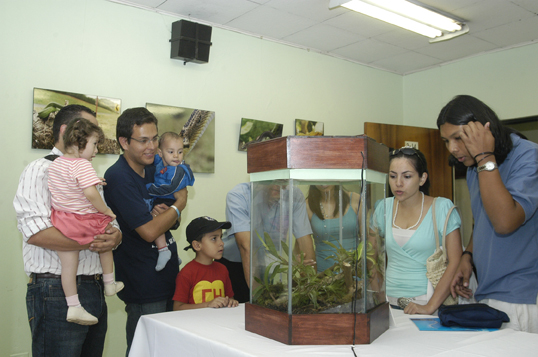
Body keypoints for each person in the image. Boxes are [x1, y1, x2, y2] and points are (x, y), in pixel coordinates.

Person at [14, 104, 122, 356]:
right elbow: (37, 233)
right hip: (54, 292)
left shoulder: (87, 171)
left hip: (94, 286)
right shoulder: (40, 169)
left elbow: (104, 219)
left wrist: (115, 236)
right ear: (66, 131)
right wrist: (94, 240)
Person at [438, 94, 538, 333]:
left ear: (483, 130)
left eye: (459, 138)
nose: (452, 149)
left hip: (519, 299)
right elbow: (484, 220)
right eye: (446, 140)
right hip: (486, 293)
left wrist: (485, 156)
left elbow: (505, 221)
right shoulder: (476, 167)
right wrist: (468, 257)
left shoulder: (528, 156)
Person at [103, 107, 188, 355]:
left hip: (168, 278)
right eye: (143, 140)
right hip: (143, 284)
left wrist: (171, 214)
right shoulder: (119, 177)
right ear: (124, 142)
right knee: (148, 350)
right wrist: (180, 205)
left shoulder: (153, 168)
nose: (152, 147)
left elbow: (172, 222)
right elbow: (150, 232)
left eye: (154, 138)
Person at [48, 118, 123, 325]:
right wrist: (106, 210)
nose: (96, 149)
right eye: (94, 144)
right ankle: (109, 283)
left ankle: (73, 306)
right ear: (79, 144)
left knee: (68, 266)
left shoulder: (56, 164)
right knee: (106, 239)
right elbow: (90, 194)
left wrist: (94, 179)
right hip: (84, 220)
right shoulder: (83, 165)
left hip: (62, 221)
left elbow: (68, 186)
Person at [373, 147, 462, 315]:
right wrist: (377, 295)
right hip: (389, 302)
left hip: (430, 301)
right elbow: (371, 257)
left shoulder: (442, 207)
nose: (398, 183)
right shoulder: (382, 208)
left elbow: (455, 261)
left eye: (407, 176)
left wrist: (430, 306)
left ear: (422, 179)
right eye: (393, 176)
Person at [217, 182, 316, 303]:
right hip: (236, 263)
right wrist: (260, 299)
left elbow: (304, 238)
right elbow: (246, 247)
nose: (277, 185)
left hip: (266, 263)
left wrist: (312, 289)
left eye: (282, 182)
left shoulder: (294, 195)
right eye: (272, 181)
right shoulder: (239, 195)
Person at [146, 132, 195, 271]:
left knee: (155, 221)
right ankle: (172, 254)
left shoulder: (178, 170)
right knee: (163, 227)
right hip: (163, 199)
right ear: (161, 153)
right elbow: (154, 159)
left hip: (167, 199)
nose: (176, 156)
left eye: (180, 152)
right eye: (171, 151)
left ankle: (163, 250)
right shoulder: (161, 161)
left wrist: (149, 189)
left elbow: (169, 188)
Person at [173, 216, 238, 310]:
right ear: (197, 245)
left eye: (221, 237)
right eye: (214, 239)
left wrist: (231, 302)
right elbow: (177, 308)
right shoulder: (186, 273)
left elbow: (229, 298)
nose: (221, 243)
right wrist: (207, 305)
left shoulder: (223, 269)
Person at [306, 185, 360, 272]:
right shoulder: (307, 206)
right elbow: (301, 245)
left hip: (355, 272)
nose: (323, 182)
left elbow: (368, 239)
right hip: (323, 275)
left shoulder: (355, 199)